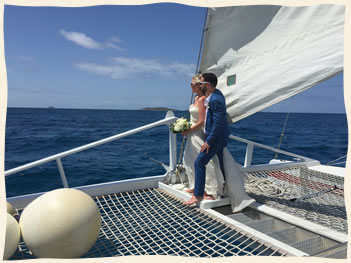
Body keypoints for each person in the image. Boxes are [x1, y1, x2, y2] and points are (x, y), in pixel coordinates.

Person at [183, 73, 255, 212]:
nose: (199, 85)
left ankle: (199, 195)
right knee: (220, 163)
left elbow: (217, 123)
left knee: (200, 162)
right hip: (216, 137)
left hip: (215, 138)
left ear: (207, 85)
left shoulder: (215, 99)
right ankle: (224, 189)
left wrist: (209, 141)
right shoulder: (215, 94)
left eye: (201, 83)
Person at [181, 74, 225, 200]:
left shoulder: (203, 100)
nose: (191, 86)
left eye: (193, 84)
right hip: (191, 133)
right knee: (189, 158)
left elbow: (201, 121)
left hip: (197, 133)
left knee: (204, 161)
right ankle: (195, 185)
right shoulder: (196, 98)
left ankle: (211, 190)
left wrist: (188, 130)